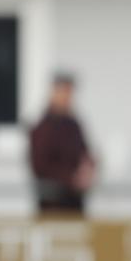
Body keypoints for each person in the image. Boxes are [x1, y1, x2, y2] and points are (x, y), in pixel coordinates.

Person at [30, 74, 93, 212]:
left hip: (75, 201)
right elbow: (40, 167)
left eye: (70, 93)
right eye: (65, 92)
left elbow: (85, 153)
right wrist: (71, 178)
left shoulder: (74, 125)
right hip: (53, 204)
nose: (68, 98)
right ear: (54, 93)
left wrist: (88, 168)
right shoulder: (42, 128)